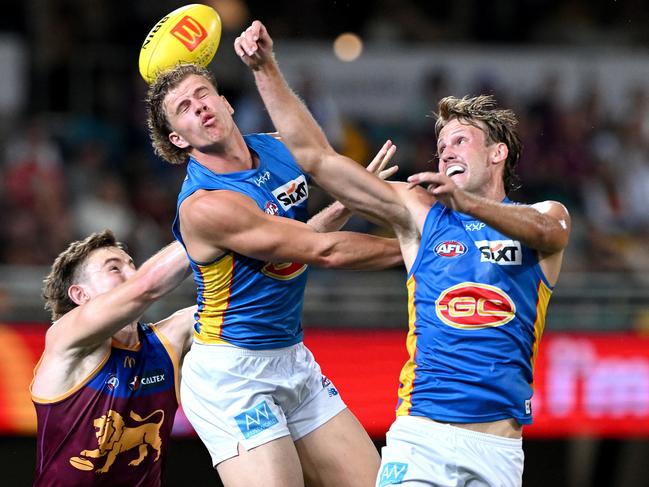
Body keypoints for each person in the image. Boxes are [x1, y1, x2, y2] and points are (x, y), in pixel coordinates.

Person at [235, 20, 571, 487]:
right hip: (421, 441)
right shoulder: (420, 212)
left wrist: (468, 203)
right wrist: (265, 67)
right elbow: (317, 159)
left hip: (498, 451)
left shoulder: (542, 213)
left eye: (459, 140)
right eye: (440, 146)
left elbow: (550, 234)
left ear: (497, 153)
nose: (445, 152)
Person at [144, 62, 403, 487]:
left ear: (225, 101)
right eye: (184, 108)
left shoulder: (278, 149)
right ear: (178, 138)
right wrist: (421, 252)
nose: (200, 108)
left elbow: (291, 243)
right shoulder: (206, 204)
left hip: (291, 357)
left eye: (203, 94)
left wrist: (344, 204)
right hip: (232, 374)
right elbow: (323, 251)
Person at [31, 230, 194, 486]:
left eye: (132, 265)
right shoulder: (65, 339)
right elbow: (145, 286)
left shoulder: (170, 340)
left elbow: (235, 304)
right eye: (114, 269)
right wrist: (212, 230)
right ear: (80, 295)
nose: (133, 274)